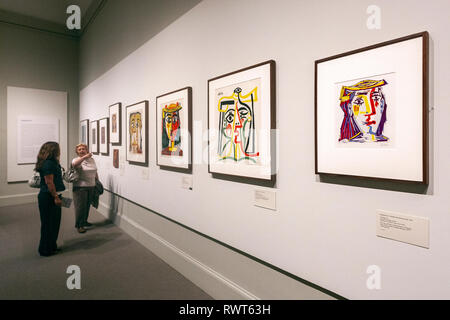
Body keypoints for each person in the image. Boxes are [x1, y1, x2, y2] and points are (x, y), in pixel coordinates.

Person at [35, 141, 65, 257]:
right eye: (58, 149)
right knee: (48, 224)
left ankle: (51, 246)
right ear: (53, 150)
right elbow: (49, 182)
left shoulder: (51, 162)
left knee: (53, 223)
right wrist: (56, 197)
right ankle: (45, 249)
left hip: (51, 196)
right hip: (48, 197)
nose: (59, 151)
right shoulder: (48, 164)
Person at [72, 144, 98, 233]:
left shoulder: (92, 160)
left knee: (87, 205)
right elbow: (75, 165)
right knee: (80, 207)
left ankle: (84, 221)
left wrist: (97, 181)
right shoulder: (76, 160)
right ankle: (79, 225)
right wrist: (85, 157)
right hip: (80, 187)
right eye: (79, 149)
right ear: (77, 152)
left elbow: (95, 170)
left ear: (87, 150)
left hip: (91, 185)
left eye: (83, 149)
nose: (82, 150)